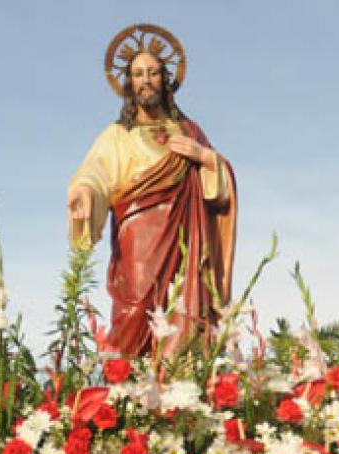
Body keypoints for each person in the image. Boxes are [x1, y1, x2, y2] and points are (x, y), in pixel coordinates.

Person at [67, 24, 236, 356]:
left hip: (184, 249)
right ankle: (128, 395)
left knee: (183, 324)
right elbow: (95, 173)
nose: (145, 79)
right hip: (137, 251)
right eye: (138, 73)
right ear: (129, 83)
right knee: (132, 324)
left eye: (153, 72)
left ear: (165, 79)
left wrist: (204, 157)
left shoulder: (189, 131)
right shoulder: (118, 135)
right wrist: (85, 193)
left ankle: (184, 398)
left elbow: (221, 192)